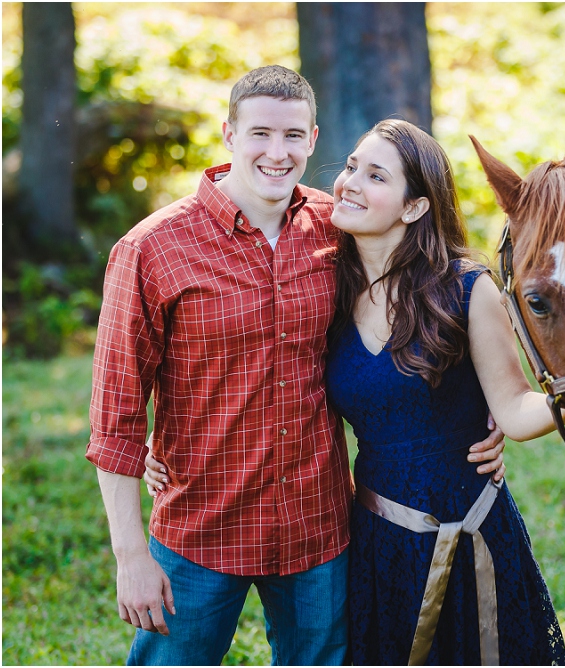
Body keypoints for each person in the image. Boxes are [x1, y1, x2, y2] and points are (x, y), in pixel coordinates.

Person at [87, 65, 505, 666]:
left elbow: (425, 292)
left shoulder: (339, 229)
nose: (276, 153)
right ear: (228, 134)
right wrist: (130, 555)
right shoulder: (152, 249)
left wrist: (487, 411)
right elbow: (115, 418)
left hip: (318, 530)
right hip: (202, 528)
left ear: (312, 140)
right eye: (260, 133)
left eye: (293, 136)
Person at [324, 119, 565, 665]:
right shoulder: (328, 289)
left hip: (470, 537)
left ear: (414, 208)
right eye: (350, 167)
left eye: (376, 175)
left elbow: (515, 409)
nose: (350, 183)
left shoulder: (465, 289)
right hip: (379, 542)